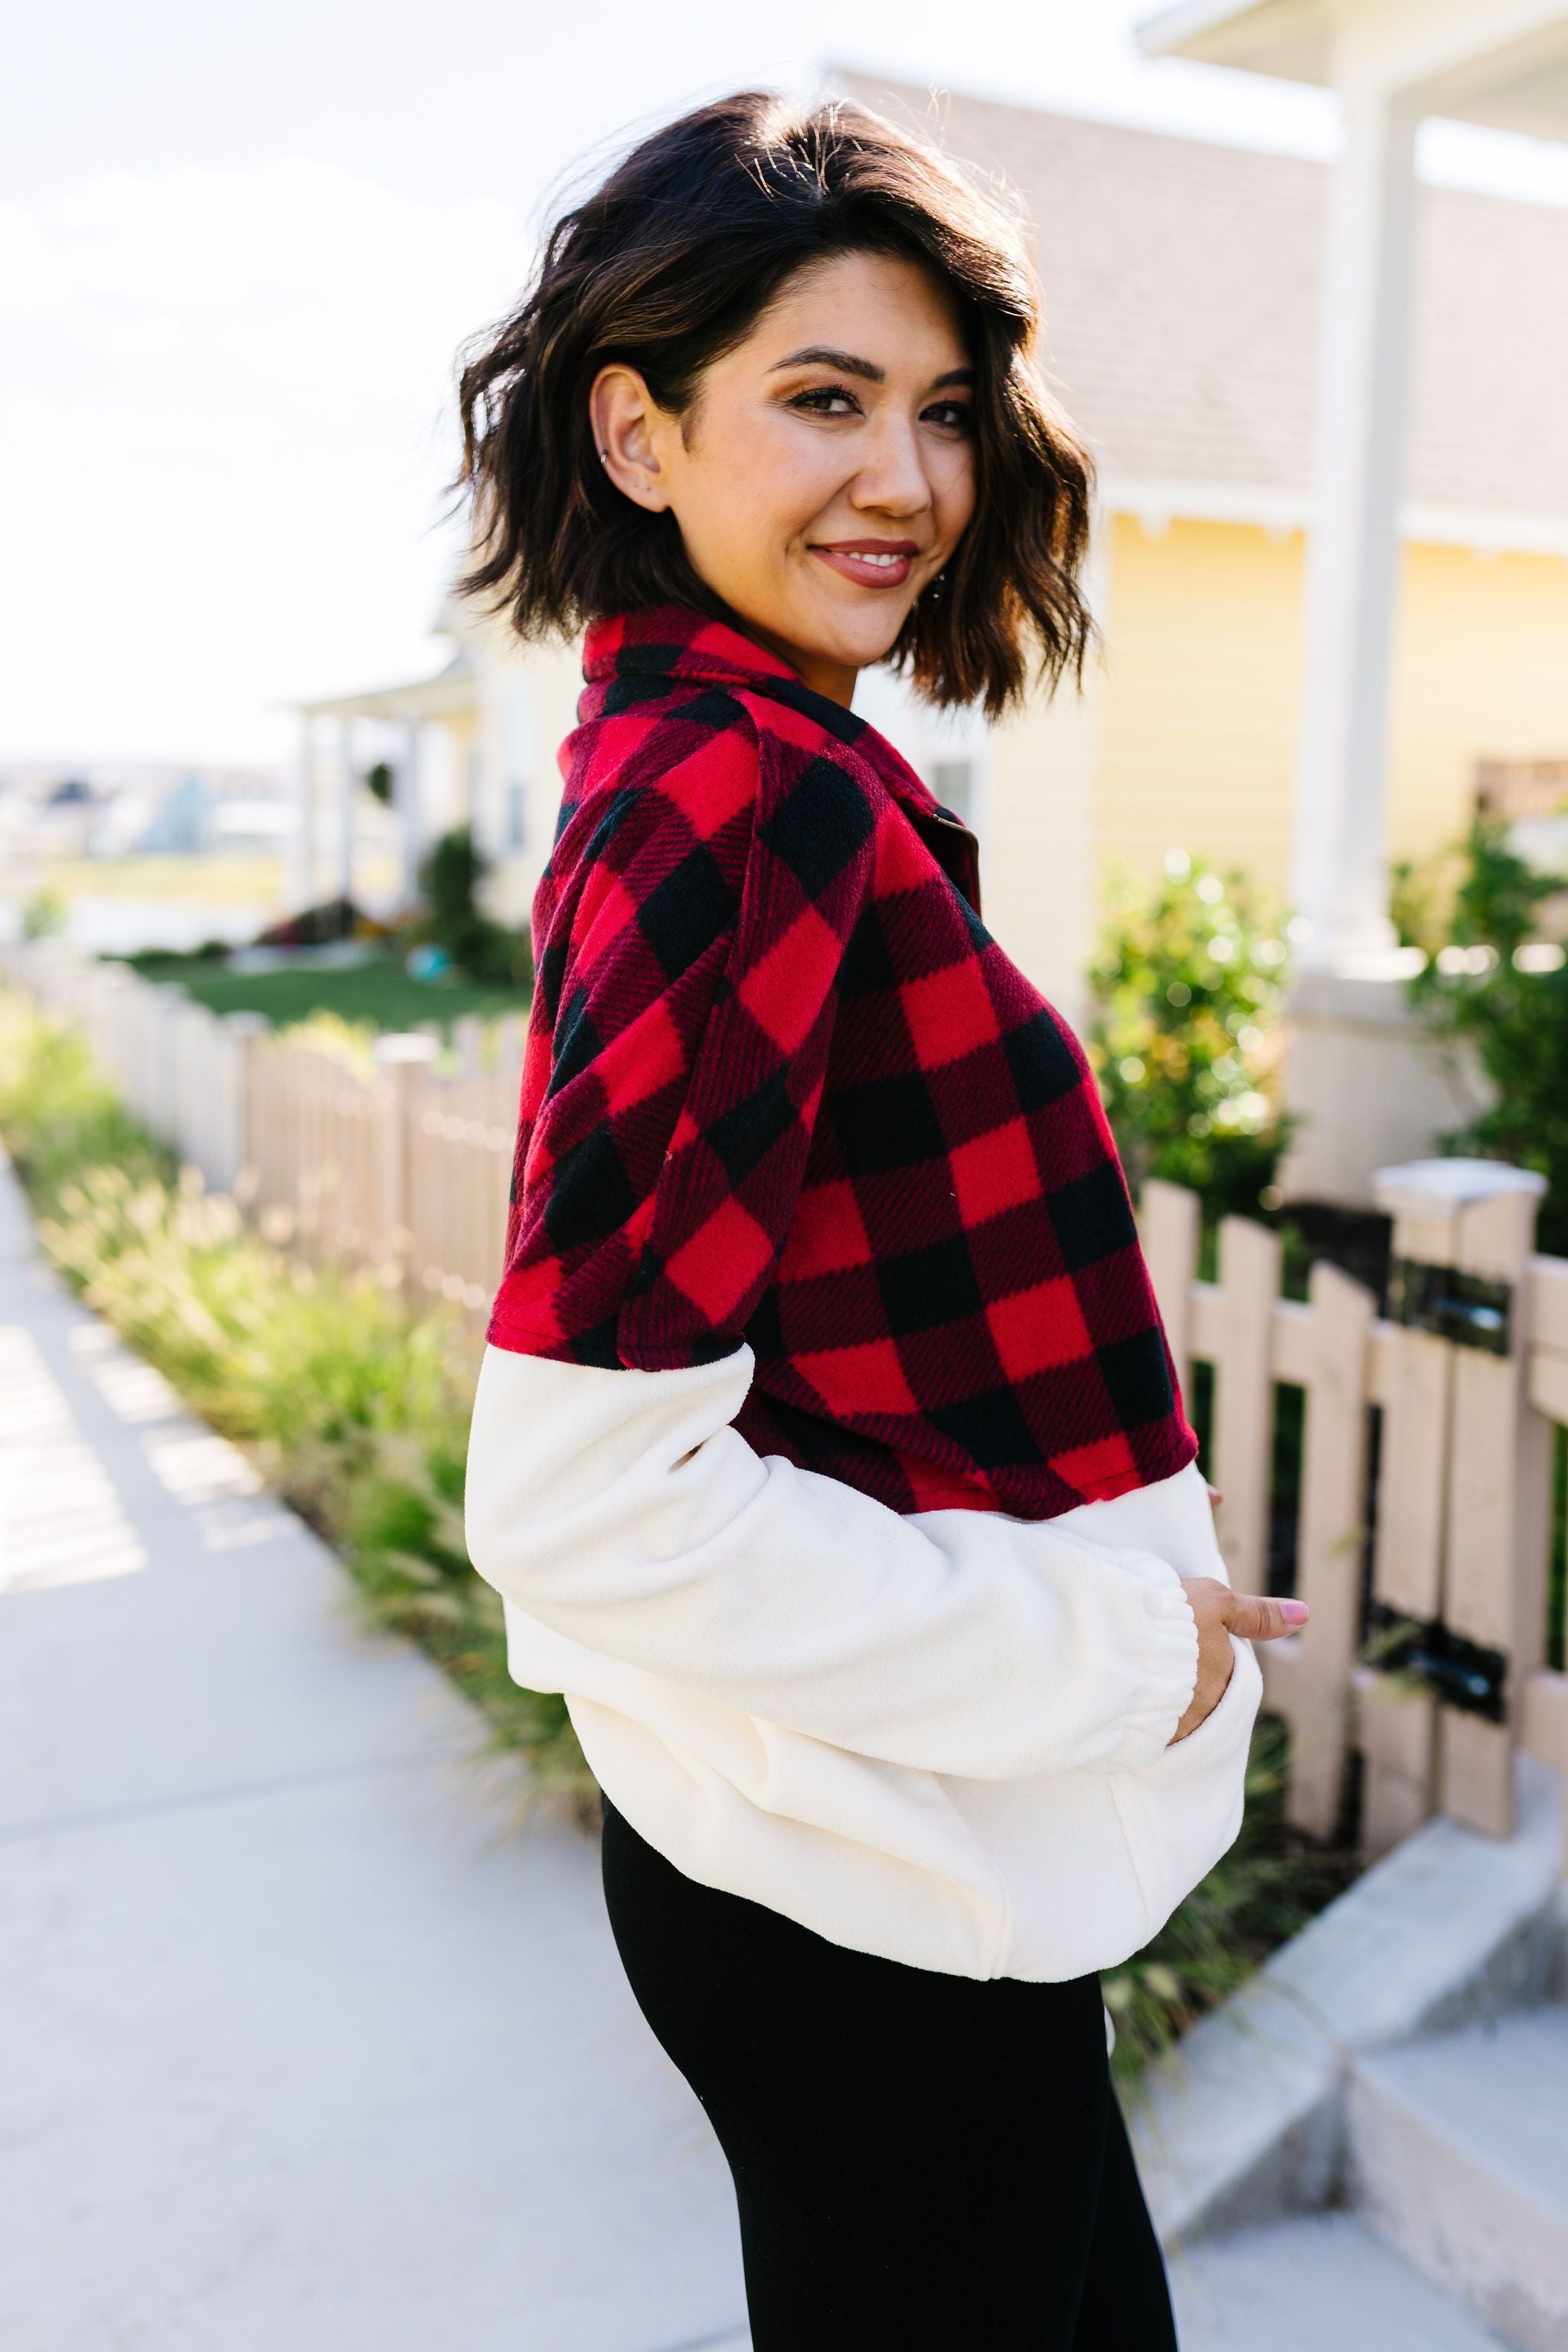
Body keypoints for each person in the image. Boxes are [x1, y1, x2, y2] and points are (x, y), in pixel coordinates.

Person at [459, 90, 1307, 2350]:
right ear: (637, 436)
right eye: (819, 401)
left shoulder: (744, 762)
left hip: (861, 1864)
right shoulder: (743, 808)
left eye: (939, 410)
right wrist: (1132, 1653)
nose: (908, 480)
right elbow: (579, 1499)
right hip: (870, 1898)